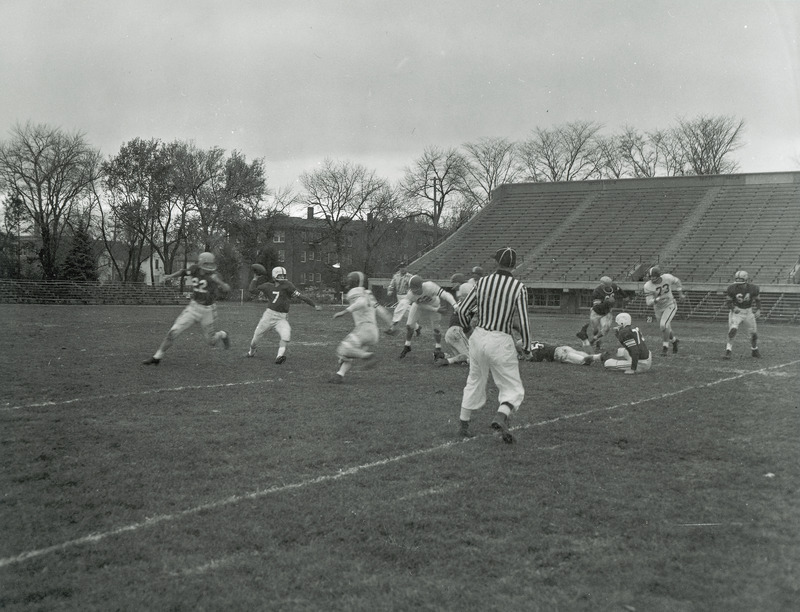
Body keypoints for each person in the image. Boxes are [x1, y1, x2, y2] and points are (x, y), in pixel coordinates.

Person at [457, 247, 531, 443]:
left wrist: (467, 329)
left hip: (479, 335)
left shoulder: (482, 282)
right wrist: (528, 347)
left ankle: (463, 425)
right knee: (512, 387)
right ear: (514, 265)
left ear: (497, 262)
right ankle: (500, 416)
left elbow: (463, 309)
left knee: (474, 379)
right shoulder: (518, 287)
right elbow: (523, 321)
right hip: (501, 339)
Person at [142, 252, 230, 365]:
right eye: (207, 264)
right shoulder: (194, 269)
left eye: (210, 264)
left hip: (208, 310)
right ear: (201, 263)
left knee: (211, 341)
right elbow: (182, 272)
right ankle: (157, 357)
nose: (209, 267)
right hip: (193, 307)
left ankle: (223, 334)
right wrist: (170, 276)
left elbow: (227, 288)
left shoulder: (215, 275)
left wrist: (219, 282)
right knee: (173, 332)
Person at [244, 266, 321, 364]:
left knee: (286, 335)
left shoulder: (288, 285)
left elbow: (301, 297)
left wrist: (314, 305)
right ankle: (251, 352)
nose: (282, 277)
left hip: (282, 317)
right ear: (274, 276)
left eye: (283, 275)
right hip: (269, 316)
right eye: (280, 275)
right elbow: (252, 290)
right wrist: (255, 278)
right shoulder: (268, 286)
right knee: (255, 338)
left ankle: (279, 356)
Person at [329, 271, 381, 383]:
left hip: (364, 329)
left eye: (350, 280)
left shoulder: (356, 293)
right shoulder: (367, 293)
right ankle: (339, 375)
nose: (347, 282)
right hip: (373, 331)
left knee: (342, 349)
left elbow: (361, 302)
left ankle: (368, 356)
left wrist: (345, 311)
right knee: (348, 354)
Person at [398, 274, 457, 361]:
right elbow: (421, 305)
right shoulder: (410, 294)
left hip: (434, 303)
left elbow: (445, 294)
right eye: (413, 290)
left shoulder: (430, 286)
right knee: (409, 325)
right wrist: (436, 310)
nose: (414, 292)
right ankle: (407, 345)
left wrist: (455, 305)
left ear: (421, 286)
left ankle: (438, 347)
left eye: (416, 290)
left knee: (436, 328)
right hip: (420, 306)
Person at [576, 275, 629, 352]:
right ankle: (597, 341)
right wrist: (607, 302)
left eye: (610, 285)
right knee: (595, 330)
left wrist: (625, 296)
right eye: (607, 286)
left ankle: (594, 340)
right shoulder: (597, 292)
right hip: (596, 312)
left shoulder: (613, 286)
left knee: (606, 329)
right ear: (602, 285)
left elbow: (619, 289)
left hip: (606, 312)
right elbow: (597, 306)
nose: (609, 287)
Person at [642, 265, 686, 356]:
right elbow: (648, 302)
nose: (652, 278)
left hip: (670, 304)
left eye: (654, 276)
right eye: (651, 276)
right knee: (665, 328)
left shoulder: (667, 277)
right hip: (658, 308)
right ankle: (674, 341)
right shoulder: (648, 286)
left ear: (658, 275)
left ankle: (665, 348)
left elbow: (677, 281)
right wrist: (658, 299)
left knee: (663, 325)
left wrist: (680, 294)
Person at [435, 273, 474, 367]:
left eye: (454, 283)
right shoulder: (469, 303)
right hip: (456, 331)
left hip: (451, 333)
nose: (452, 285)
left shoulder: (461, 301)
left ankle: (442, 355)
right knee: (473, 358)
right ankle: (447, 361)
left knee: (462, 358)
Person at [723, 270, 761, 359]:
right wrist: (733, 308)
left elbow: (757, 299)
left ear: (747, 280)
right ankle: (728, 350)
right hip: (737, 312)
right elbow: (728, 302)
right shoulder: (732, 288)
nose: (739, 285)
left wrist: (758, 309)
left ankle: (754, 349)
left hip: (748, 312)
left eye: (741, 283)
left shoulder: (753, 288)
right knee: (733, 330)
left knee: (753, 334)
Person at [384, 265, 419, 336]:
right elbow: (391, 285)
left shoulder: (410, 277)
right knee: (408, 314)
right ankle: (418, 328)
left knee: (398, 311)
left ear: (406, 268)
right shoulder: (396, 276)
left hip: (407, 296)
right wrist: (390, 290)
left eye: (404, 267)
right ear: (399, 268)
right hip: (399, 296)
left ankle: (392, 328)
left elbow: (414, 286)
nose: (402, 269)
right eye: (401, 267)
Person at [519, 341, 599, 366]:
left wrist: (525, 358)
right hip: (563, 348)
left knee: (583, 361)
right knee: (586, 357)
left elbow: (534, 358)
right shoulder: (536, 343)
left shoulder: (534, 352)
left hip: (559, 354)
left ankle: (600, 356)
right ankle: (599, 357)